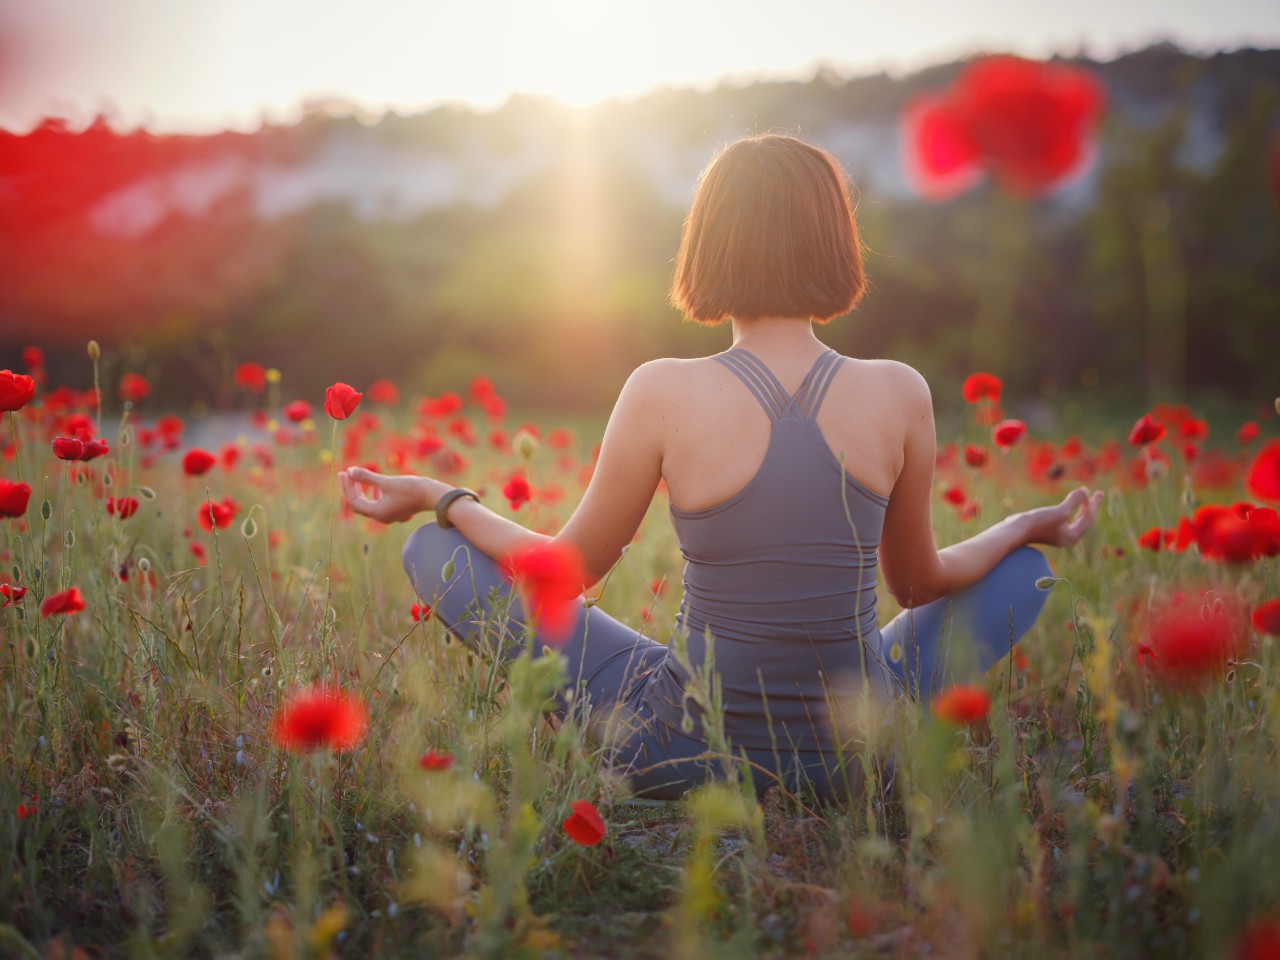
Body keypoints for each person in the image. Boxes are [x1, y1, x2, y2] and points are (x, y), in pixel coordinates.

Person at [340, 133, 1102, 802]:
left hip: (673, 752)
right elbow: (920, 586)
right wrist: (1018, 526)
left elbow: (564, 571)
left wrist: (442, 498)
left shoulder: (662, 388)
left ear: (708, 242)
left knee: (433, 551)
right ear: (836, 242)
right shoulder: (900, 391)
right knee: (1024, 569)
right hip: (858, 756)